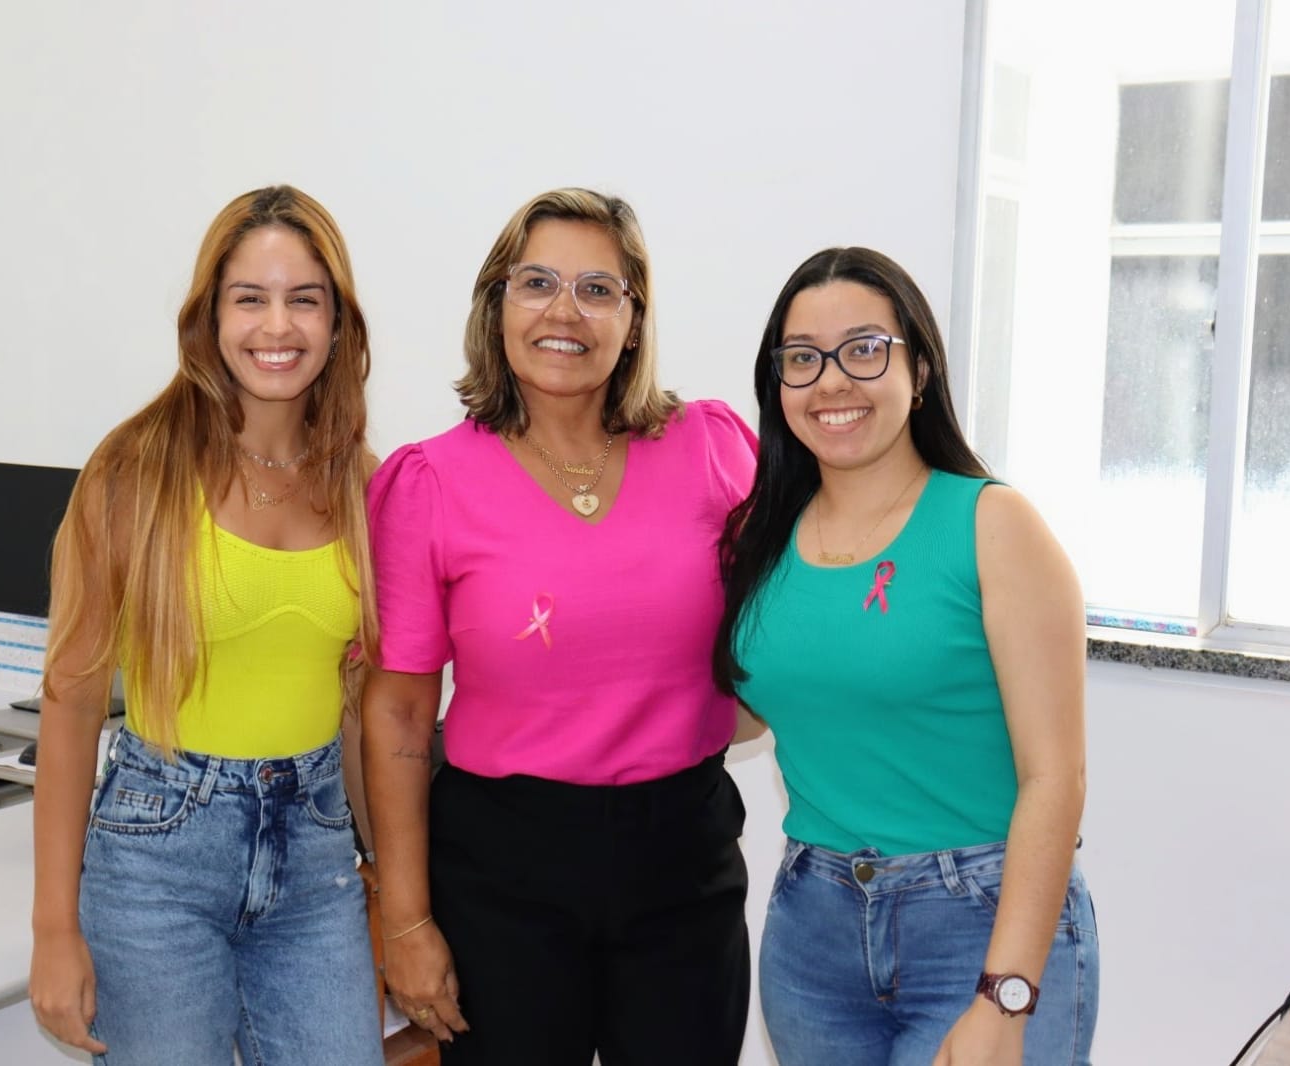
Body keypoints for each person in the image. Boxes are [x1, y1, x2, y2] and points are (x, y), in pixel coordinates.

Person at [362, 188, 756, 1065]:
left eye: (597, 289)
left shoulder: (712, 447)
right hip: (501, 875)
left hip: (682, 864)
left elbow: (790, 615)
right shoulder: (428, 483)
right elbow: (395, 716)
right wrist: (407, 919)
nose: (564, 311)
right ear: (496, 303)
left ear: (634, 318)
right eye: (536, 282)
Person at [714, 247, 1099, 1065]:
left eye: (863, 349)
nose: (831, 382)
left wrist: (1005, 993)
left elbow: (1055, 779)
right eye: (802, 358)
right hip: (812, 928)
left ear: (917, 370)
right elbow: (751, 710)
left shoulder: (992, 525)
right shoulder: (761, 536)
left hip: (979, 921)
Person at [28, 185, 385, 1066]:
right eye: (250, 298)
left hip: (315, 860)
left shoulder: (363, 483)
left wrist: (388, 878)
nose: (278, 326)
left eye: (305, 300)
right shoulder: (136, 469)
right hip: (157, 863)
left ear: (337, 323)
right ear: (210, 316)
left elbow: (359, 707)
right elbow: (71, 704)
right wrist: (53, 929)